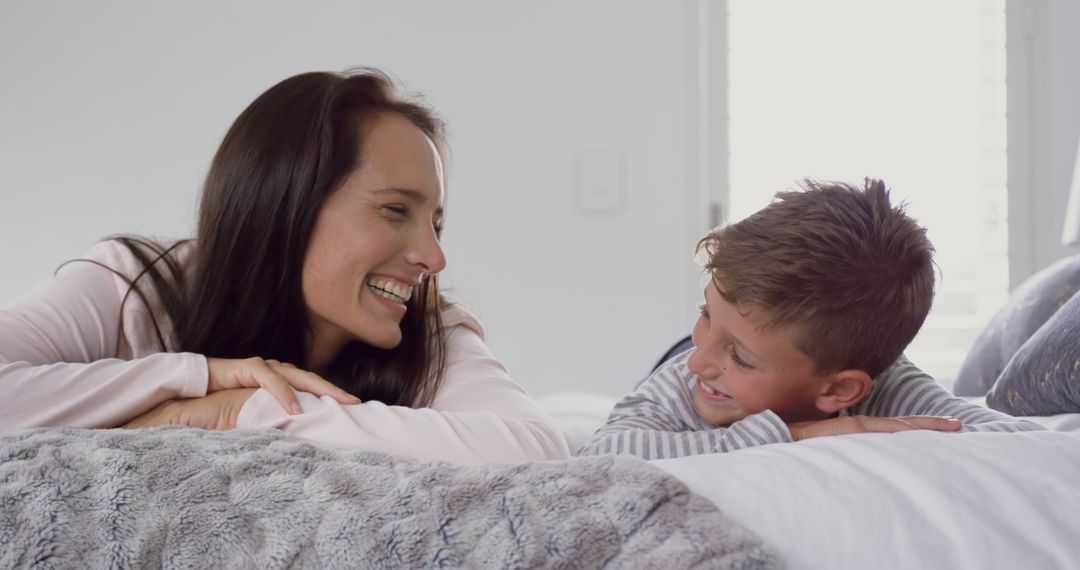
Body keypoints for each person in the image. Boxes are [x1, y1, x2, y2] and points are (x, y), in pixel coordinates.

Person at [0, 68, 569, 465]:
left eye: (436, 223)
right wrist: (198, 375)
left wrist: (242, 411)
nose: (434, 257)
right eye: (396, 210)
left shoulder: (430, 327)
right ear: (286, 204)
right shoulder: (138, 286)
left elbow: (531, 449)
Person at [578, 179, 1042, 459]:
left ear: (839, 391)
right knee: (694, 351)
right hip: (674, 352)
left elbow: (1025, 443)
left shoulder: (890, 387)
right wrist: (799, 433)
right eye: (706, 310)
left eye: (740, 356)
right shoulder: (686, 376)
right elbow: (600, 455)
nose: (704, 362)